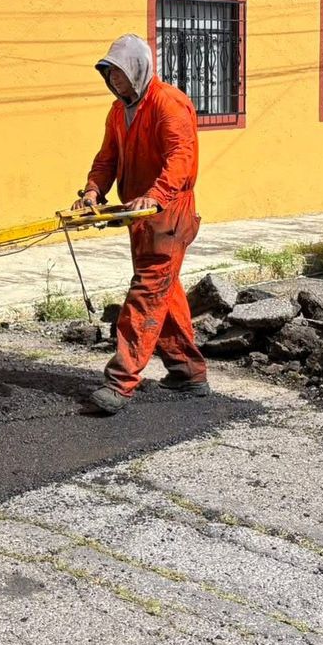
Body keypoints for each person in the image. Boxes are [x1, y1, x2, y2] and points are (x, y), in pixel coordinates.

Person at [73, 34, 206, 415]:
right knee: (164, 291)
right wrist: (93, 192)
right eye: (109, 74)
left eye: (118, 73)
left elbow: (181, 156)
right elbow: (107, 159)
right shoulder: (118, 112)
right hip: (140, 216)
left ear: (137, 69)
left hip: (169, 215)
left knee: (146, 293)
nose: (114, 81)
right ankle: (188, 371)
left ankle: (120, 382)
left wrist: (156, 194)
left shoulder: (168, 103)